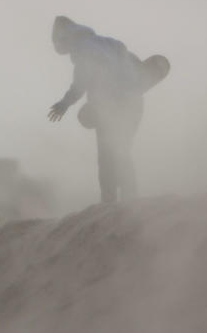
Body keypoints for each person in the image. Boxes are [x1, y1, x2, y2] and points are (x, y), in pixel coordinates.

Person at [47, 15, 169, 203]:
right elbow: (134, 65)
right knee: (121, 150)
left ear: (65, 39)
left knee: (107, 156)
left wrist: (64, 103)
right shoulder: (109, 43)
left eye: (60, 46)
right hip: (134, 103)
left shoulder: (84, 49)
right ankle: (130, 197)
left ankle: (110, 203)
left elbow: (81, 81)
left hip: (110, 105)